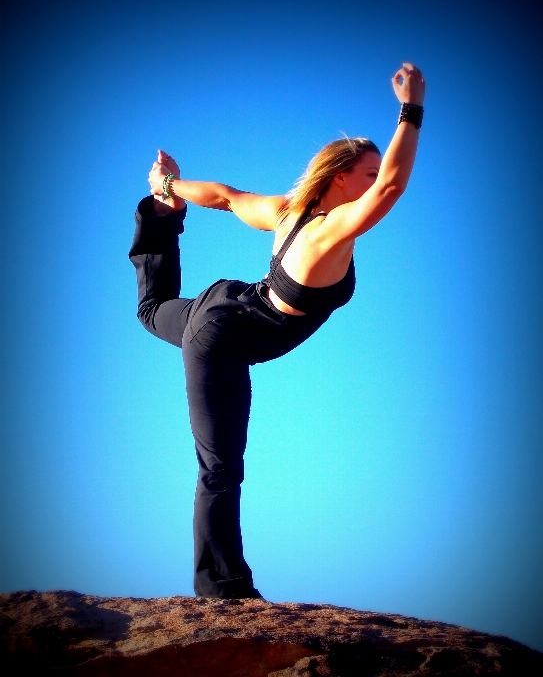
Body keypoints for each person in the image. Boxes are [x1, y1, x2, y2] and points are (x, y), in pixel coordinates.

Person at [129, 63, 425, 599]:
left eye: (372, 173)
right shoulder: (325, 232)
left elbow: (223, 195)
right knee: (220, 467)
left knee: (151, 311)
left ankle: (161, 213)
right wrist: (411, 110)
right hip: (221, 338)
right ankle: (222, 591)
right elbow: (392, 188)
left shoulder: (286, 212)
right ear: (341, 177)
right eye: (365, 172)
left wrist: (169, 185)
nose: (371, 182)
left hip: (223, 306)